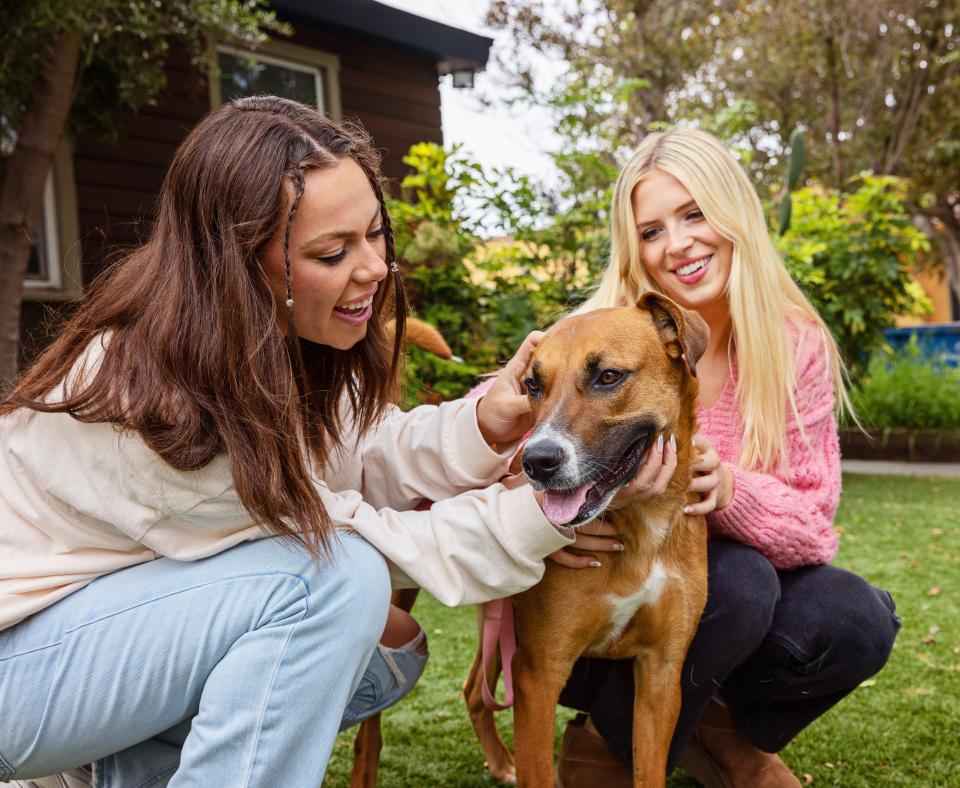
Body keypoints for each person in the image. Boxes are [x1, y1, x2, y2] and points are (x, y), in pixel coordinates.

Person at [0, 96, 595, 787]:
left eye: (375, 234)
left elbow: (367, 450)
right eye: (333, 252)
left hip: (96, 647)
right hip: (19, 671)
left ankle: (125, 772)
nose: (373, 267)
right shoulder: (157, 398)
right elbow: (358, 543)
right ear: (236, 262)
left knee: (386, 651)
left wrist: (486, 422)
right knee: (333, 586)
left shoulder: (276, 345)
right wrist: (560, 504)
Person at [551, 128, 902, 788]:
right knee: (737, 581)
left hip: (732, 603)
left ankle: (714, 730)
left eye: (693, 214)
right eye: (651, 231)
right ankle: (604, 740)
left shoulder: (793, 343)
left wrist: (731, 490)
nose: (677, 243)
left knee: (855, 617)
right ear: (636, 250)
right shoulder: (608, 333)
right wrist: (548, 524)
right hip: (610, 602)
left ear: (733, 213)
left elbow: (814, 525)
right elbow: (508, 423)